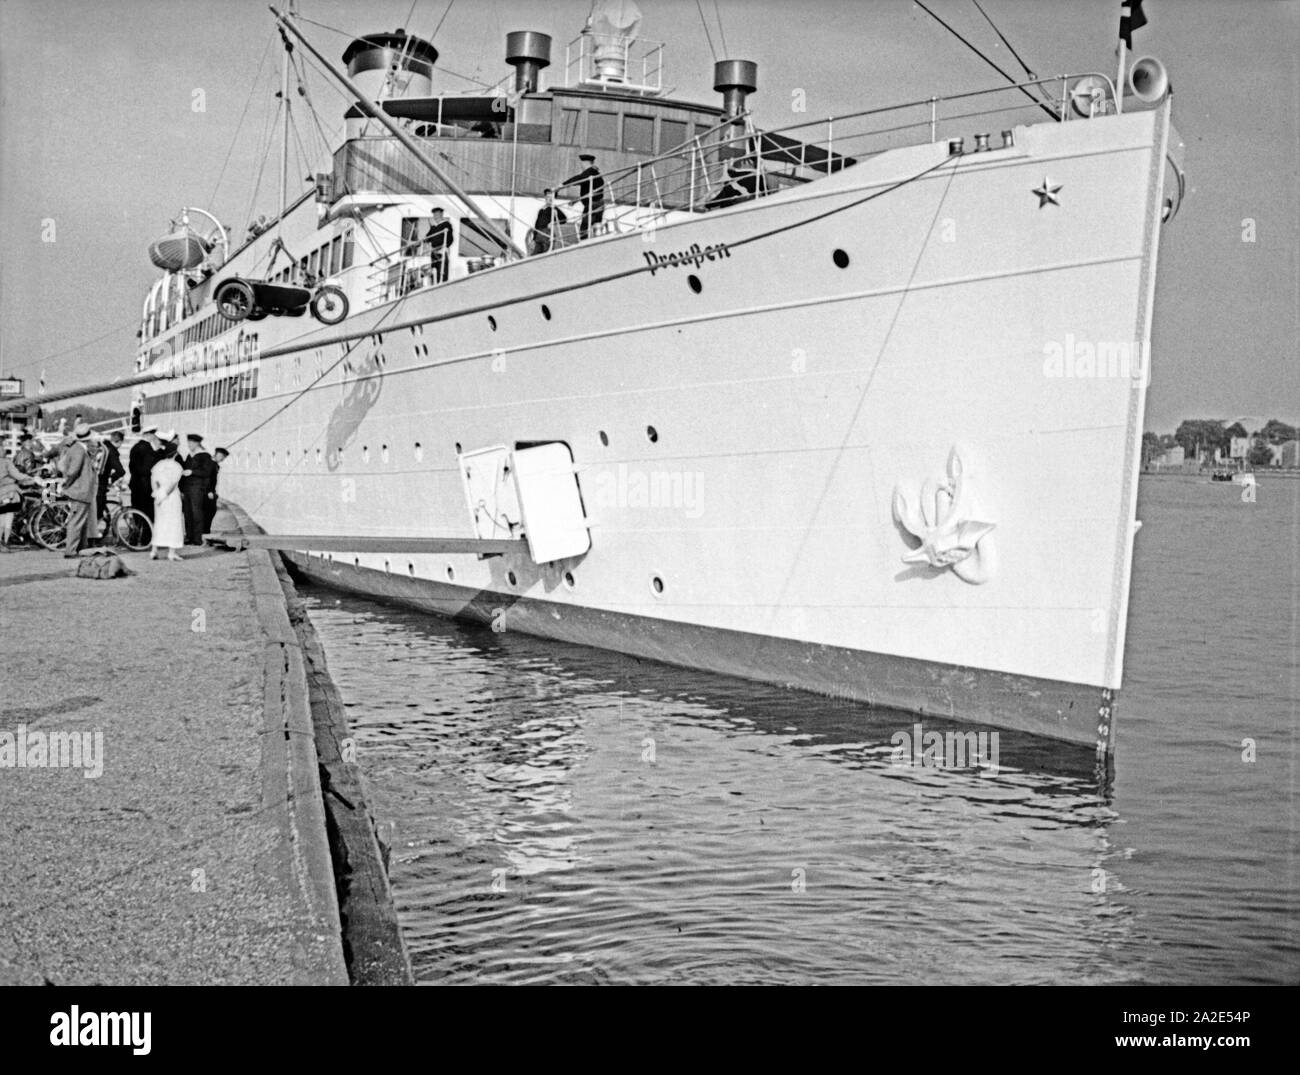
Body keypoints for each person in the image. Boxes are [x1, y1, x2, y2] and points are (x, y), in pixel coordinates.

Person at [58, 422, 97, 558]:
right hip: (80, 490)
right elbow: (73, 470)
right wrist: (66, 484)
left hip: (81, 490)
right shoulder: (80, 450)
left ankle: (80, 548)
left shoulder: (77, 448)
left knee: (80, 521)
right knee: (76, 521)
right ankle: (71, 550)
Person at [150, 436, 185, 561]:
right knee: (174, 523)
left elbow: (154, 481)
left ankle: (154, 551)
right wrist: (164, 495)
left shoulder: (158, 465)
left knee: (159, 522)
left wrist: (157, 494)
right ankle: (171, 552)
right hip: (171, 497)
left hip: (159, 495)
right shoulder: (177, 467)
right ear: (175, 453)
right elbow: (172, 485)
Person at [178, 433, 214, 546]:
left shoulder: (205, 456)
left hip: (197, 488)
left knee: (197, 512)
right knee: (188, 513)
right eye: (188, 443)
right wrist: (182, 489)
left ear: (197, 443)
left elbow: (207, 472)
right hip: (188, 487)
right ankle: (189, 536)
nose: (189, 445)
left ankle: (197, 538)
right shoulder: (190, 455)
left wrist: (192, 472)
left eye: (191, 443)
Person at [0, 450, 39, 550]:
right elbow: (19, 479)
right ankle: (7, 540)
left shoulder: (11, 464)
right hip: (10, 494)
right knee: (8, 517)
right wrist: (34, 480)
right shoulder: (12, 465)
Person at [561, 153, 605, 239]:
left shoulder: (590, 172)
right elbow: (590, 192)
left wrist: (563, 185)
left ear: (585, 163)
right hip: (597, 203)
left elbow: (579, 179)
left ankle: (584, 244)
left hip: (593, 205)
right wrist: (576, 200)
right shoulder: (595, 173)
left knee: (585, 229)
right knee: (594, 228)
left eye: (582, 163)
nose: (581, 166)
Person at [129, 427, 161, 521]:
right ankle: (146, 535)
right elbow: (146, 469)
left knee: (137, 510)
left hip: (135, 483)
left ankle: (138, 533)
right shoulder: (147, 449)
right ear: (149, 435)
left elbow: (131, 466)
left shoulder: (135, 447)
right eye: (153, 434)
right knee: (147, 512)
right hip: (145, 485)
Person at [528, 189, 567, 255]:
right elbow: (537, 224)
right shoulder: (541, 210)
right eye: (548, 197)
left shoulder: (554, 208)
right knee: (535, 253)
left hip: (547, 233)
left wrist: (553, 223)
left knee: (546, 252)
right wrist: (534, 238)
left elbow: (564, 219)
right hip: (539, 234)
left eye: (552, 198)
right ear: (545, 198)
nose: (550, 199)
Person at [423, 208, 455, 284]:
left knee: (442, 273)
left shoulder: (446, 225)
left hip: (442, 252)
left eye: (437, 214)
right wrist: (420, 242)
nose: (435, 216)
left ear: (441, 214)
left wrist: (442, 247)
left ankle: (442, 287)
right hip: (434, 253)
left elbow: (450, 239)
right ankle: (434, 287)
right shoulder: (434, 228)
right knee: (434, 272)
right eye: (434, 215)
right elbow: (427, 238)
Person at [204, 447, 229, 536]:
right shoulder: (211, 464)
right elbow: (207, 479)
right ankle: (205, 532)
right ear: (217, 454)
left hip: (211, 492)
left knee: (210, 511)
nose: (222, 459)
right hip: (208, 492)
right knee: (209, 512)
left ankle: (205, 532)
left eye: (224, 457)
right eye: (222, 456)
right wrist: (209, 491)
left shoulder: (214, 464)